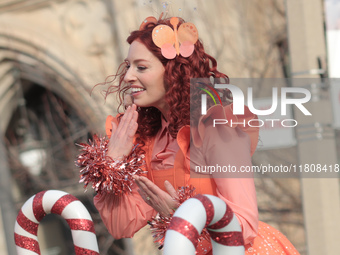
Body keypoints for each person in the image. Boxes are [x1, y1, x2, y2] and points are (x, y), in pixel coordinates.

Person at [91, 15, 300, 255]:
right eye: (128, 66)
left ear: (173, 71)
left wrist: (181, 216)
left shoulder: (217, 126)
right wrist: (113, 162)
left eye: (141, 67)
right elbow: (121, 225)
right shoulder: (145, 139)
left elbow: (245, 224)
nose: (127, 76)